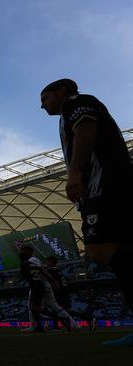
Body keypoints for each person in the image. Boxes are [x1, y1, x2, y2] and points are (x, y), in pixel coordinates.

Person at [40, 78, 133, 346]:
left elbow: (86, 130)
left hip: (105, 188)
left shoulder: (78, 104)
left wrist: (75, 173)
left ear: (61, 91)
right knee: (119, 246)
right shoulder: (69, 112)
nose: (42, 106)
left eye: (45, 99)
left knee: (100, 250)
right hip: (110, 188)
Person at [18, 245, 75, 333]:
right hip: (42, 284)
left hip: (39, 285)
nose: (22, 252)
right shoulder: (34, 260)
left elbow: (37, 272)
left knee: (34, 307)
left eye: (23, 251)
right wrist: (53, 281)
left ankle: (35, 326)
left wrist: (52, 281)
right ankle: (72, 323)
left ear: (29, 252)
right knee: (51, 306)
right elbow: (43, 270)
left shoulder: (29, 261)